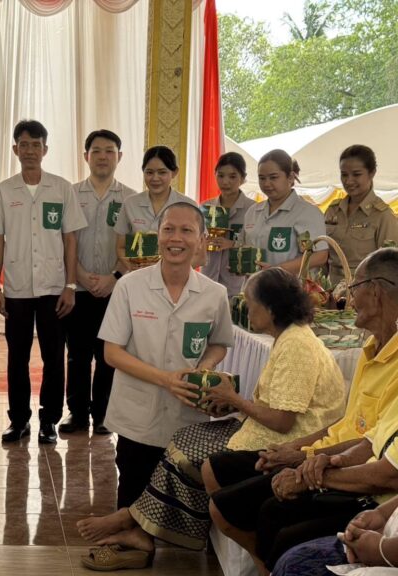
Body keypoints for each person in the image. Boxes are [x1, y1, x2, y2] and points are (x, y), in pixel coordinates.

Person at [77, 267, 346, 569]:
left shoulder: (294, 343)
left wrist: (232, 399)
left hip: (285, 438)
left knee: (189, 453)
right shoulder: (130, 284)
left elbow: (283, 421)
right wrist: (226, 403)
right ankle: (136, 527)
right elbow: (111, 352)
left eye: (251, 303)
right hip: (149, 409)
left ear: (270, 309)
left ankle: (132, 519)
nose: (247, 310)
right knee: (174, 445)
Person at [207, 248, 398, 575]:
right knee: (224, 479)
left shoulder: (300, 344)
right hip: (337, 460)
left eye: (354, 289)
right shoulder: (370, 349)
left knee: (273, 519)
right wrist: (309, 456)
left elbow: (385, 467)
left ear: (376, 293)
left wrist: (309, 465)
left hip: (366, 486)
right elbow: (365, 432)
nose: (348, 299)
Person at [93, 202, 233, 515]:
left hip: (187, 416)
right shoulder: (130, 286)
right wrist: (166, 380)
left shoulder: (214, 294)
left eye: (187, 230)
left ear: (202, 239)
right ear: (157, 235)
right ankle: (129, 537)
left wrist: (204, 368)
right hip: (137, 416)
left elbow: (219, 344)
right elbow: (112, 353)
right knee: (132, 496)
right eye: (168, 229)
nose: (176, 238)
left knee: (177, 502)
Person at [0, 119, 87, 444]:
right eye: (24, 145)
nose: (30, 151)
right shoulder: (3, 191)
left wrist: (71, 286)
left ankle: (49, 421)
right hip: (17, 289)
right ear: (15, 149)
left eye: (35, 145)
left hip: (54, 288)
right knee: (18, 356)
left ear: (45, 149)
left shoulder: (61, 188)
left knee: (54, 357)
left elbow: (70, 239)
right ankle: (18, 420)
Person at [61, 130, 135, 435]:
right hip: (77, 287)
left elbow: (133, 247)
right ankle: (77, 413)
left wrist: (114, 277)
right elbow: (63, 239)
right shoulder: (70, 194)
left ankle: (103, 414)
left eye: (109, 151)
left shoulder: (131, 199)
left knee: (109, 355)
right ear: (86, 156)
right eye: (96, 151)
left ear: (119, 156)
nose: (103, 156)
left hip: (115, 290)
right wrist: (78, 274)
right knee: (77, 355)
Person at [241, 149, 328, 274]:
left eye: (273, 177)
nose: (266, 184)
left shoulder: (308, 212)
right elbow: (243, 246)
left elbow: (320, 256)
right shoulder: (253, 211)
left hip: (290, 284)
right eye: (262, 178)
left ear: (290, 177)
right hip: (255, 283)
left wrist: (277, 270)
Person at [113, 145, 197, 271]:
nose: (155, 178)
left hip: (175, 278)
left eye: (162, 172)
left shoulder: (189, 206)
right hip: (138, 276)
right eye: (149, 172)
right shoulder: (130, 203)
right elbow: (120, 247)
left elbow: (199, 255)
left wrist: (167, 270)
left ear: (174, 172)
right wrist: (132, 267)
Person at [325, 145, 398, 285]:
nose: (348, 181)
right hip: (330, 290)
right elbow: (323, 254)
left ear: (372, 173)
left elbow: (389, 265)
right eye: (344, 174)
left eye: (356, 174)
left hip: (363, 289)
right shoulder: (333, 210)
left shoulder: (382, 215)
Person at [273, 494, 398, 576]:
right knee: (292, 558)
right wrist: (381, 514)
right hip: (384, 535)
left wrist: (384, 551)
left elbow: (387, 475)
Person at [200, 152, 256, 298]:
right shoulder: (206, 207)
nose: (225, 182)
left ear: (242, 178)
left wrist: (232, 244)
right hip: (207, 280)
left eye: (232, 176)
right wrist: (202, 242)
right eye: (221, 175)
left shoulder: (254, 209)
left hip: (238, 285)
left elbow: (258, 247)